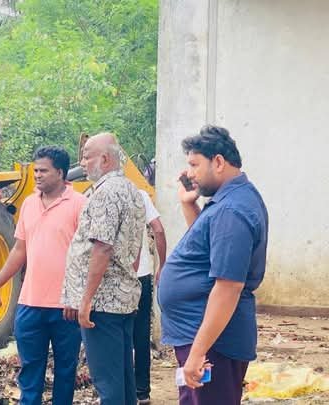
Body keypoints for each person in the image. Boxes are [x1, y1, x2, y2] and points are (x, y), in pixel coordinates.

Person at [158, 125, 268, 405]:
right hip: (203, 337)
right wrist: (188, 204)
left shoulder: (232, 210)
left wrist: (198, 352)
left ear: (218, 162)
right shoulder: (227, 202)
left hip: (213, 343)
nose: (189, 174)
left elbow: (228, 286)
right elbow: (208, 252)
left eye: (194, 165)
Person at [0, 146, 86, 405]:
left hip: (66, 307)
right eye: (35, 170)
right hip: (30, 304)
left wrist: (77, 296)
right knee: (30, 372)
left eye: (43, 171)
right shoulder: (29, 204)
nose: (37, 175)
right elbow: (19, 250)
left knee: (65, 371)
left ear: (60, 173)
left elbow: (87, 256)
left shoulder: (79, 204)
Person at [62, 132, 145, 405]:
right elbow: (134, 246)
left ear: (105, 159)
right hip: (122, 298)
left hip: (103, 303)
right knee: (122, 380)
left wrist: (85, 300)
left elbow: (103, 247)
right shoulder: (131, 190)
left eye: (87, 157)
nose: (82, 163)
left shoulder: (106, 193)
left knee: (108, 384)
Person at [133, 189, 167, 404]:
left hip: (112, 280)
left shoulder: (99, 194)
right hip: (141, 276)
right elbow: (159, 230)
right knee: (141, 335)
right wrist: (162, 265)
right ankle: (142, 392)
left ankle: (119, 391)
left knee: (114, 336)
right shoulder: (140, 195)